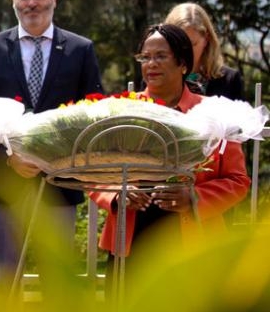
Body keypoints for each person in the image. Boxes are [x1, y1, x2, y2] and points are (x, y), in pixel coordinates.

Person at [0, 0, 104, 289]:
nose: (32, 3)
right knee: (5, 282)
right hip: (8, 186)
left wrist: (58, 159)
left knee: (58, 283)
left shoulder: (80, 49)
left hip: (59, 186)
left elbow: (94, 112)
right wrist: (11, 157)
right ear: (13, 0)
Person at [90, 24, 250, 281]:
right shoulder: (121, 111)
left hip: (193, 244)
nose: (151, 64)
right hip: (132, 238)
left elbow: (238, 181)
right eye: (146, 57)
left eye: (161, 56)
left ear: (183, 64)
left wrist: (195, 198)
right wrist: (117, 194)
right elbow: (94, 171)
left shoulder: (215, 114)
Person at [164, 2, 244, 100]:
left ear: (206, 39)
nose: (184, 51)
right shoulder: (155, 76)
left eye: (192, 44)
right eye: (178, 44)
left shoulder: (229, 81)